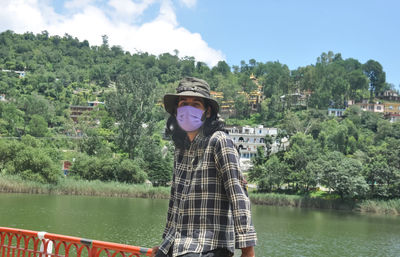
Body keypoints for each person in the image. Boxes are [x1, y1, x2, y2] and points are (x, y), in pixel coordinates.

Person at [151, 77, 257, 257]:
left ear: (207, 112)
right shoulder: (181, 149)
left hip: (208, 247)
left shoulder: (219, 141)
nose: (188, 109)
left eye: (195, 104)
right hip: (179, 246)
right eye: (183, 103)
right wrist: (166, 244)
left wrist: (247, 250)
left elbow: (237, 194)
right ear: (176, 112)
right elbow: (175, 201)